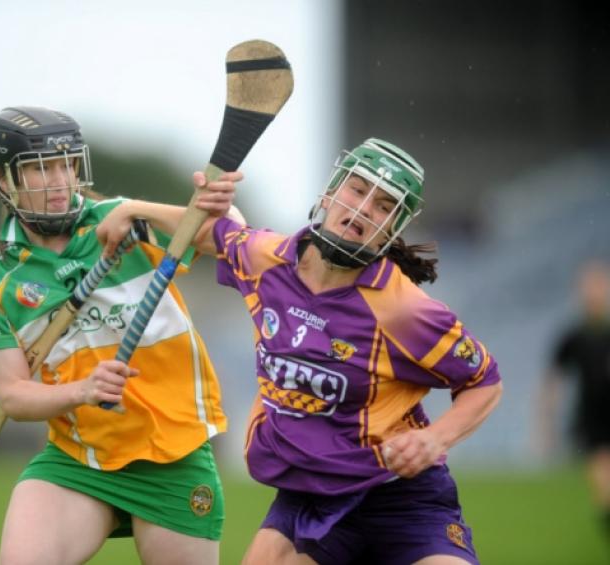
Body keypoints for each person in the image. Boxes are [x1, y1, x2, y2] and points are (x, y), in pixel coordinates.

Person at [99, 137, 504, 564]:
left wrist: (433, 438)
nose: (365, 208)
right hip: (309, 496)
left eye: (384, 206)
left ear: (393, 230)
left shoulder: (406, 311)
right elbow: (209, 235)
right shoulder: (267, 258)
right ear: (329, 193)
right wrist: (132, 208)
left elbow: (484, 382)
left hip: (401, 499)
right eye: (356, 188)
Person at [0, 106, 243, 565]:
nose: (60, 179)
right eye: (41, 168)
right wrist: (83, 390)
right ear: (3, 180)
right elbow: (14, 396)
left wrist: (137, 209)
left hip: (171, 452)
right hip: (79, 459)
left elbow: (230, 236)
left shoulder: (121, 220)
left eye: (67, 163)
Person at [539, 260, 610, 538]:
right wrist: (547, 419)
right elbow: (554, 379)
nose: (592, 293)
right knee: (602, 476)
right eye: (587, 287)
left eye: (598, 286)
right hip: (592, 417)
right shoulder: (574, 336)